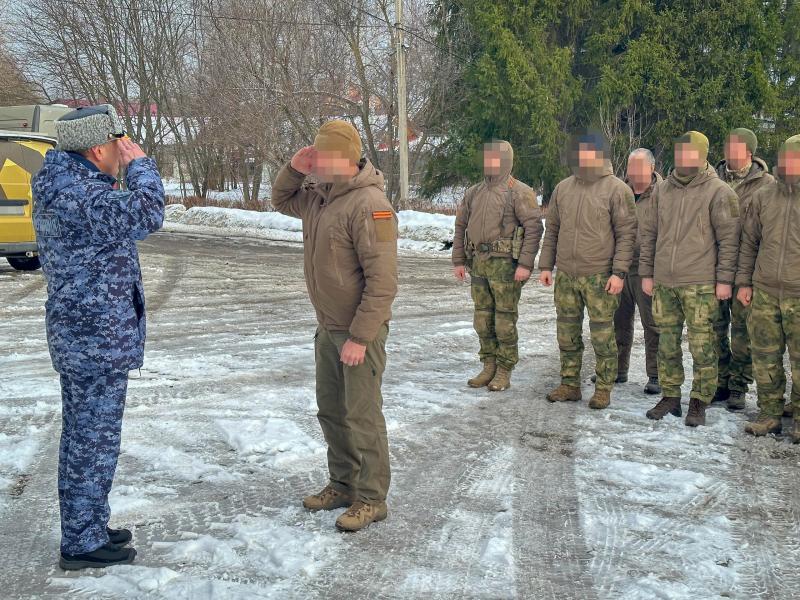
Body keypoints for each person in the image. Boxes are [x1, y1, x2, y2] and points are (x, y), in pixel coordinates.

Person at [31, 104, 164, 569]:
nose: (121, 152)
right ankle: (82, 543)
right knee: (92, 440)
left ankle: (88, 524)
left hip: (86, 334)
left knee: (87, 438)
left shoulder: (69, 183)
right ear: (97, 148)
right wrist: (141, 165)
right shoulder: (80, 193)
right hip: (94, 338)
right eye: (117, 145)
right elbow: (147, 212)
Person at [271, 120, 398, 532]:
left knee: (361, 416)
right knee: (332, 412)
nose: (318, 165)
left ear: (346, 159)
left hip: (358, 332)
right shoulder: (317, 198)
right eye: (316, 157)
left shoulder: (370, 205)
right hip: (328, 328)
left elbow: (383, 281)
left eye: (325, 158)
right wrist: (294, 166)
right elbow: (279, 197)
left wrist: (360, 337)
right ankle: (342, 484)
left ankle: (371, 497)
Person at [639, 131, 740, 427]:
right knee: (667, 342)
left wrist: (724, 280)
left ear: (703, 154)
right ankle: (670, 396)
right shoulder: (662, 191)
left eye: (691, 152)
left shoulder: (719, 192)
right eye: (680, 152)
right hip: (665, 284)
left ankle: (700, 399)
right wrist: (647, 273)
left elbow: (729, 242)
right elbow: (650, 235)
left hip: (701, 283)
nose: (685, 158)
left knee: (702, 345)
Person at [539, 134, 637, 409]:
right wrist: (546, 265)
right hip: (567, 276)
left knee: (603, 336)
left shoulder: (618, 190)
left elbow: (627, 235)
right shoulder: (563, 188)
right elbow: (553, 231)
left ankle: (604, 388)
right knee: (567, 334)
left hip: (600, 276)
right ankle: (569, 384)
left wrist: (618, 273)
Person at [452, 141, 544, 391]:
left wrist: (525, 264)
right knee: (482, 320)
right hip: (478, 265)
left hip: (506, 267)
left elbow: (534, 229)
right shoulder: (473, 192)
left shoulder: (520, 192)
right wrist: (458, 260)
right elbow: (461, 226)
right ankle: (488, 365)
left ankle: (504, 369)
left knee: (504, 322)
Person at [736, 134, 800, 442]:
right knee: (764, 356)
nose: (789, 164)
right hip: (764, 291)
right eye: (785, 158)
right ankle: (770, 412)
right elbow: (750, 242)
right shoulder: (764, 195)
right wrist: (744, 282)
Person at [712, 128, 774, 410]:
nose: (728, 151)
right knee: (713, 329)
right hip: (712, 266)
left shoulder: (766, 185)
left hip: (745, 270)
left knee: (742, 332)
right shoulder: (712, 179)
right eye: (727, 146)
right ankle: (719, 382)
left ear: (749, 152)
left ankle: (738, 386)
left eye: (735, 147)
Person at [609, 148, 662, 395]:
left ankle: (656, 374)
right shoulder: (619, 192)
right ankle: (618, 369)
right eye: (630, 168)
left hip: (648, 270)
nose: (634, 173)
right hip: (621, 268)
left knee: (653, 324)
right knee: (618, 322)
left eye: (639, 167)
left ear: (652, 168)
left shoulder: (664, 193)